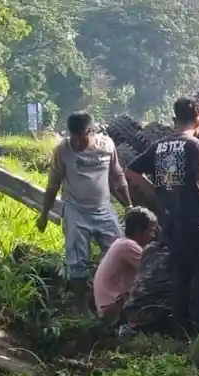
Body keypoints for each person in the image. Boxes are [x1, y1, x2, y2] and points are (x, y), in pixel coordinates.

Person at [125, 97, 199, 334]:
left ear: (174, 119)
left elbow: (130, 171)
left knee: (180, 278)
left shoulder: (159, 146)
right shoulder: (195, 145)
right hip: (197, 223)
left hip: (171, 224)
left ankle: (181, 331)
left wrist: (154, 191)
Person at [38, 111, 133, 307]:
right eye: (72, 137)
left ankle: (120, 298)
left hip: (103, 208)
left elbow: (117, 177)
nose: (76, 142)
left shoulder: (107, 145)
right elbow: (53, 185)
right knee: (77, 259)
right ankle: (79, 305)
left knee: (119, 249)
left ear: (91, 131)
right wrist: (44, 214)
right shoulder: (63, 150)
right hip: (76, 210)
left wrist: (129, 205)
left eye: (80, 138)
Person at [93, 206, 158, 324]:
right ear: (138, 232)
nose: (153, 236)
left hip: (109, 307)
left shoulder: (121, 243)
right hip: (113, 310)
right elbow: (154, 269)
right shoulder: (128, 246)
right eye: (150, 231)